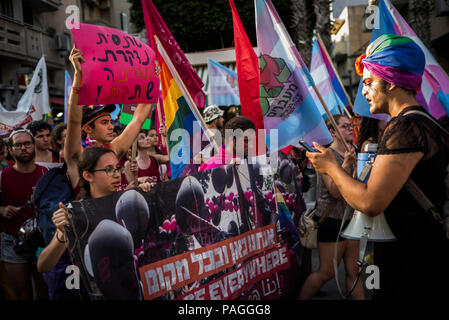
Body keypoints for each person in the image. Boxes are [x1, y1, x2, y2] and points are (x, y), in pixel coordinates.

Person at [306, 34, 449, 299]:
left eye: (369, 82)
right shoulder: (424, 123)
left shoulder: (405, 128)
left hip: (411, 256)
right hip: (421, 248)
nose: (363, 91)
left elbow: (371, 201)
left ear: (392, 83)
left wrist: (331, 168)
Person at [36, 147, 152, 293]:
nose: (117, 175)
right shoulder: (77, 213)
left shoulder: (127, 201)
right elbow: (43, 265)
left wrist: (150, 195)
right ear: (88, 176)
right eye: (108, 170)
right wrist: (62, 234)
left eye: (118, 168)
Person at [298, 115, 364, 300]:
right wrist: (347, 165)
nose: (351, 129)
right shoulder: (326, 155)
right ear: (333, 132)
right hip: (331, 221)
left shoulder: (355, 151)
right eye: (345, 126)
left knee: (354, 271)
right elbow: (335, 192)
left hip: (351, 219)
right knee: (327, 273)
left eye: (351, 126)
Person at [0, 128, 48, 300]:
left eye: (27, 143)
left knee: (44, 292)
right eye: (18, 145)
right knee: (22, 294)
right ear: (11, 149)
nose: (23, 148)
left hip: (42, 240)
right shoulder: (2, 177)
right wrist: (2, 210)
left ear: (33, 146)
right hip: (13, 242)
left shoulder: (46, 174)